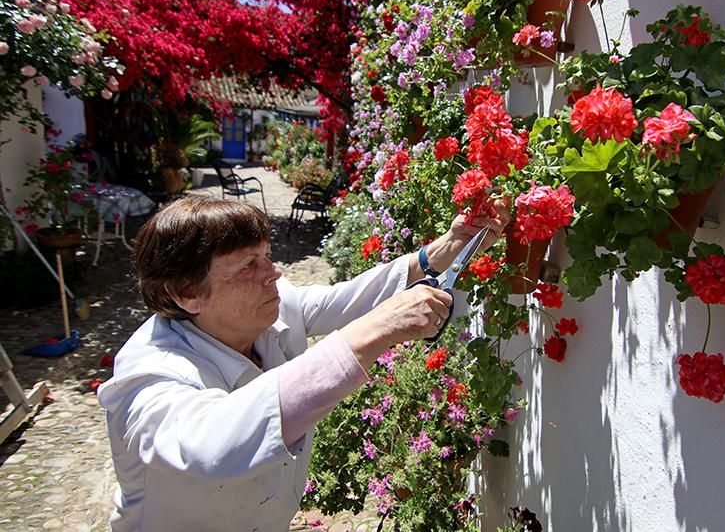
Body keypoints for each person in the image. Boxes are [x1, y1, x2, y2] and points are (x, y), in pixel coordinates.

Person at [97, 195, 508, 532]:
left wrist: (446, 249)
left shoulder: (268, 310)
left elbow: (349, 300)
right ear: (187, 294)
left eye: (267, 255)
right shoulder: (148, 375)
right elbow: (216, 447)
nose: (273, 272)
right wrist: (376, 331)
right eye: (248, 265)